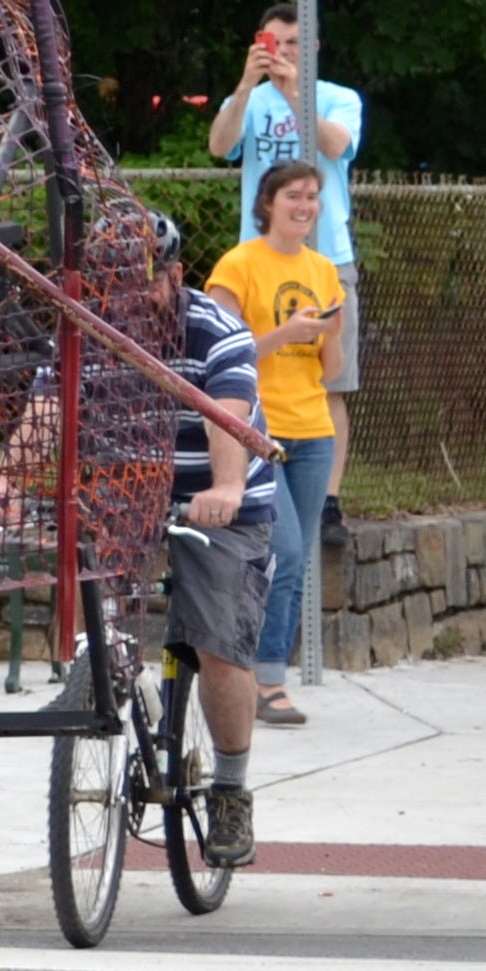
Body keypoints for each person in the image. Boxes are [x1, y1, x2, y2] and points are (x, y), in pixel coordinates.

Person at [206, 159, 347, 722]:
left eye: (313, 196)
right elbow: (219, 357)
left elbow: (329, 370)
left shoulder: (324, 270)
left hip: (313, 428)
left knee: (296, 556)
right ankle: (261, 679)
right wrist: (286, 334)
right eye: (294, 195)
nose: (305, 205)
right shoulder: (238, 266)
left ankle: (267, 676)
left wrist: (329, 334)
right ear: (267, 203)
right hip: (259, 428)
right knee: (281, 551)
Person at [161, 237, 284, 860]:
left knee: (219, 642)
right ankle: (95, 692)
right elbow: (48, 404)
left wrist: (227, 486)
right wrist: (6, 485)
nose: (123, 297)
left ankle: (231, 791)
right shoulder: (83, 320)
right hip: (123, 496)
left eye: (140, 281)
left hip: (215, 498)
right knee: (93, 617)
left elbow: (226, 415)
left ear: (174, 274)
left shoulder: (215, 329)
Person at [206, 4, 363, 389]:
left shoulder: (339, 98)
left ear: (313, 48)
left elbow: (335, 145)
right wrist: (245, 85)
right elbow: (219, 145)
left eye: (295, 43)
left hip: (327, 256)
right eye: (275, 42)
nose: (285, 51)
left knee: (332, 385)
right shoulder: (252, 101)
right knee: (250, 373)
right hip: (261, 258)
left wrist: (293, 93)